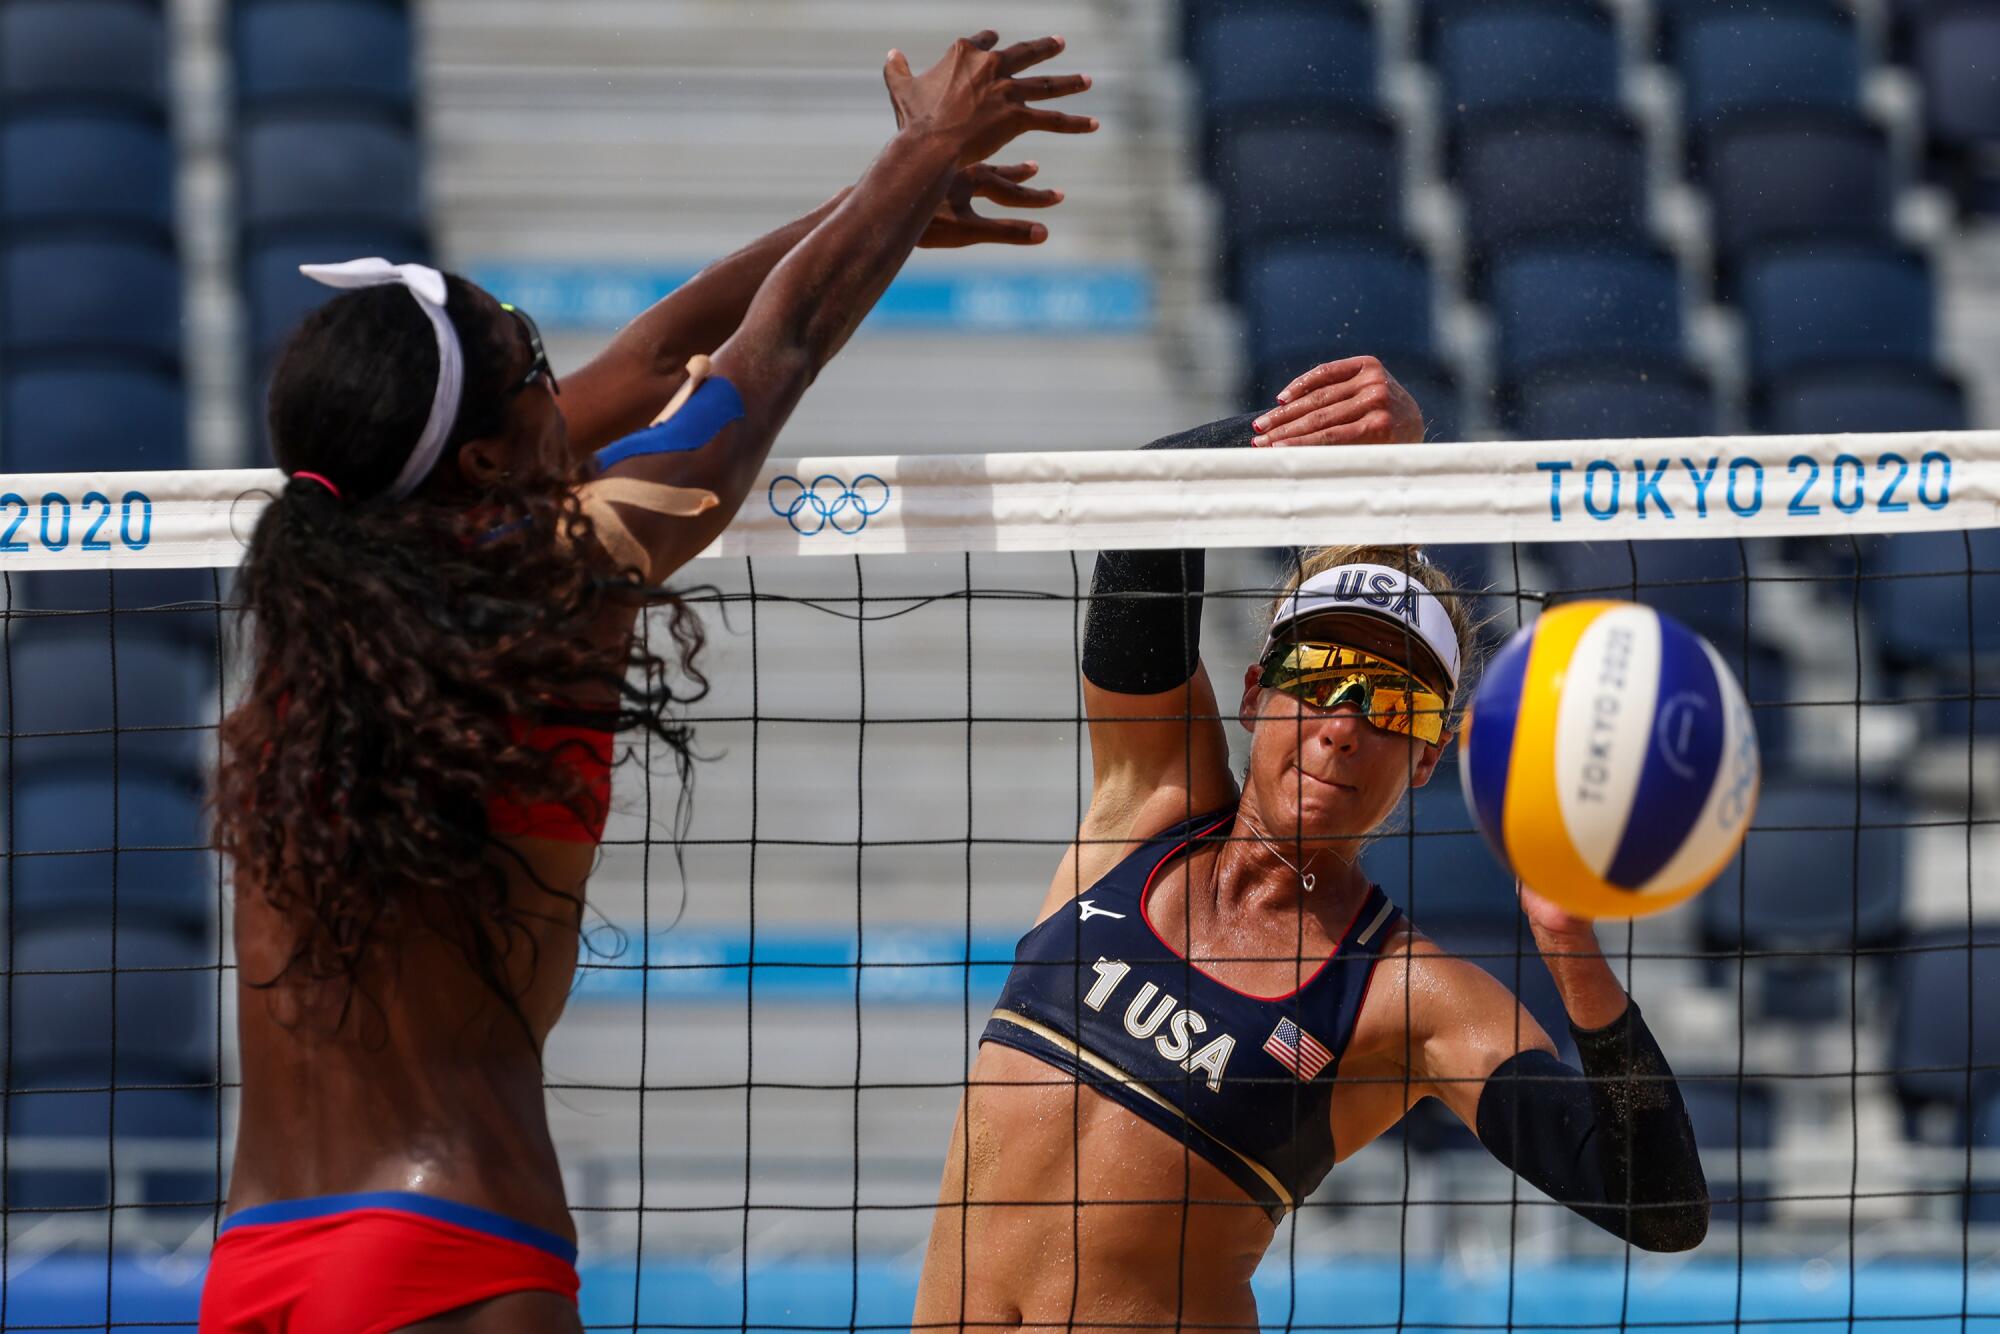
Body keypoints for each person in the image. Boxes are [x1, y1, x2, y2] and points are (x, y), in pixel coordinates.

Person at [200, 32, 1096, 1334]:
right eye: (533, 371)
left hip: (256, 1259)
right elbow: (768, 350)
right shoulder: (564, 577)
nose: (563, 381)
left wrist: (882, 208)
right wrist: (919, 152)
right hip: (450, 1239)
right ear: (496, 458)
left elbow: (662, 345)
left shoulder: (313, 622)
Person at [912, 357, 1711, 1332]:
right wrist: (1331, 448)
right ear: (1254, 693)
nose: (1343, 724)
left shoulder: (1401, 990)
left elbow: (1659, 1206)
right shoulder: (1148, 807)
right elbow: (1146, 510)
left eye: (1391, 704)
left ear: (1422, 759)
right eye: (1322, 675)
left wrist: (1567, 942)